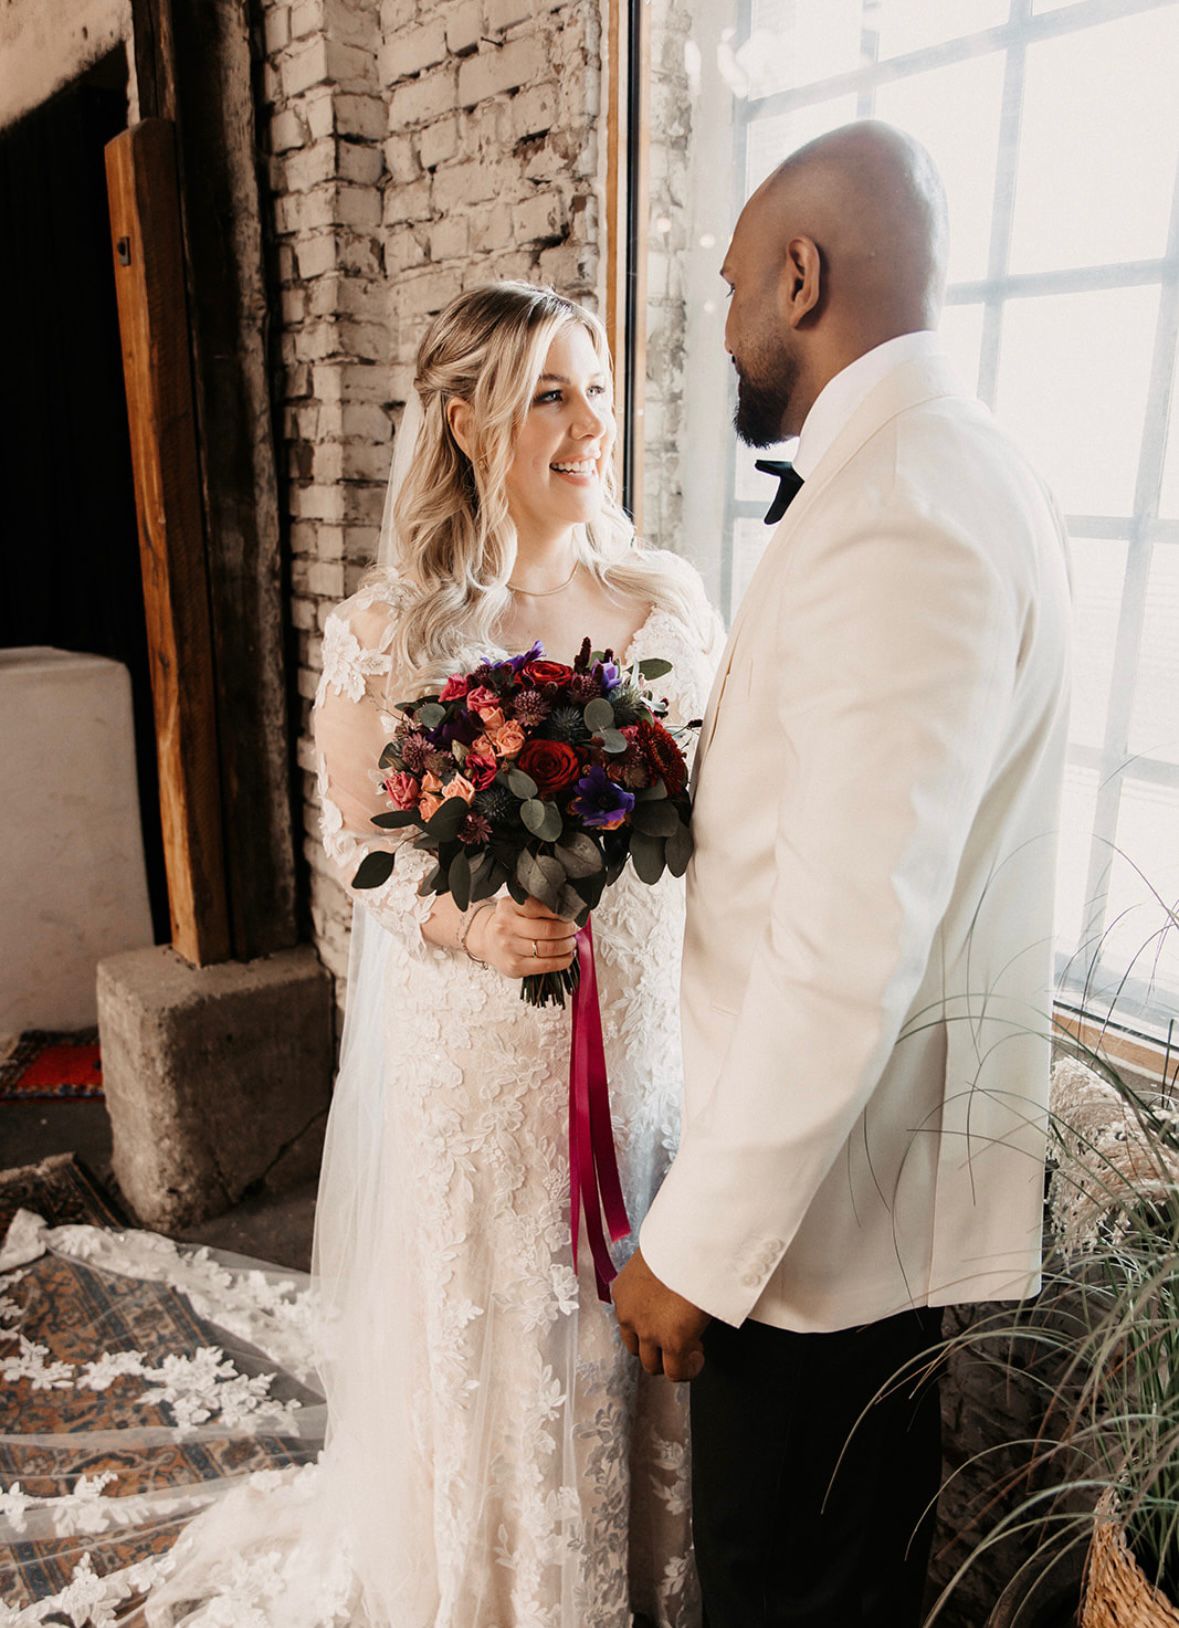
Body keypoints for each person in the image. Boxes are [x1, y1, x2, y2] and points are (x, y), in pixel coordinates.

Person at [0, 282, 720, 1628]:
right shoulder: (391, 638)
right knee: (499, 1335)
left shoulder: (664, 608)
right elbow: (365, 849)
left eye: (598, 390)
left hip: (633, 1060)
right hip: (480, 1069)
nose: (591, 426)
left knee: (616, 1319)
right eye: (550, 395)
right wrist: (472, 923)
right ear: (466, 423)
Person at [612, 122, 1073, 1627]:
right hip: (843, 1204)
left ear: (801, 279)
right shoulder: (946, 468)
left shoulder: (904, 508)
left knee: (782, 1591)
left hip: (813, 1243)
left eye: (734, 287)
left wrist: (697, 1248)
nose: (725, 327)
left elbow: (845, 944)